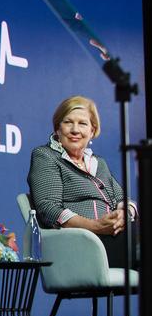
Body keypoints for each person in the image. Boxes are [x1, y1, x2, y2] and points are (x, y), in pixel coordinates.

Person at [28, 95, 138, 268]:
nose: (75, 130)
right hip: (79, 246)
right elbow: (48, 208)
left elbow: (122, 198)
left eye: (83, 123)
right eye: (68, 122)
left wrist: (124, 215)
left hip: (115, 237)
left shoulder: (98, 162)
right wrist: (95, 226)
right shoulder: (46, 156)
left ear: (92, 131)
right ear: (57, 129)